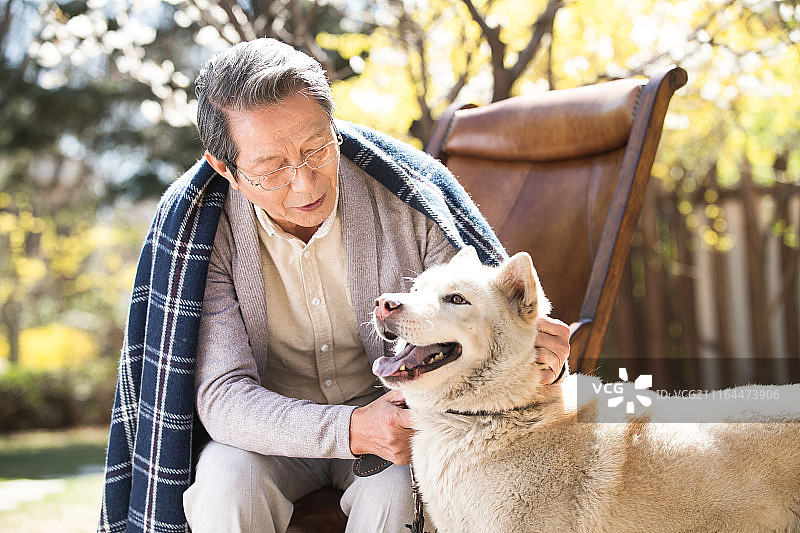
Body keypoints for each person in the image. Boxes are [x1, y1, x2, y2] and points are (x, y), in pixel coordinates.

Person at [99, 38, 570, 533]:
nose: (304, 183)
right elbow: (223, 396)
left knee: (398, 491)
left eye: (316, 148)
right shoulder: (203, 233)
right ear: (226, 169)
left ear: (334, 127)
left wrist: (538, 359)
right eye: (272, 168)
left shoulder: (411, 196)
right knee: (224, 482)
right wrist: (347, 429)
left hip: (397, 426)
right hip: (269, 437)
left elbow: (485, 323)